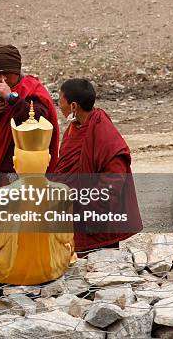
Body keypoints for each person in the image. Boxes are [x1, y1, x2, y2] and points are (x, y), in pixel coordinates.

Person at [0, 105, 75, 284]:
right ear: (48, 160)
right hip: (54, 265)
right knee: (70, 247)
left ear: (15, 162)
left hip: (9, 269)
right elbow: (66, 238)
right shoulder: (61, 191)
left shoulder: (2, 195)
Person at [0, 44, 60, 231]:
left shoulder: (32, 90)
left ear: (17, 71)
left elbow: (41, 121)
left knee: (21, 228)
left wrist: (13, 99)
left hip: (23, 173)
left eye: (7, 74)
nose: (2, 79)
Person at [55, 78, 143, 253]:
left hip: (97, 227)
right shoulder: (75, 128)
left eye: (60, 101)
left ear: (73, 106)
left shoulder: (104, 134)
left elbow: (113, 180)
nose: (59, 106)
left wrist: (90, 213)